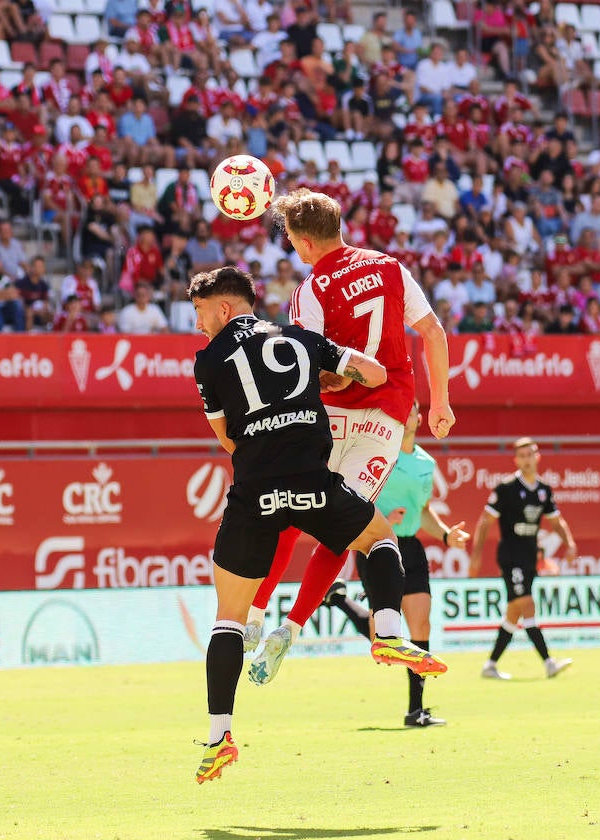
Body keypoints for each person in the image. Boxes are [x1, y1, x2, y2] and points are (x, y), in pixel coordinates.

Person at [188, 267, 446, 784]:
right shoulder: (300, 338)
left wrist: (262, 455)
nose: (198, 326)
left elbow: (225, 438)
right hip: (315, 482)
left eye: (199, 314)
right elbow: (374, 372)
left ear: (222, 309)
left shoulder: (207, 360)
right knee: (379, 539)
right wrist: (335, 375)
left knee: (227, 621)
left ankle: (219, 738)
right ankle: (389, 631)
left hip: (253, 493)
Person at [243, 188, 455, 687]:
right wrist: (441, 401)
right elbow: (434, 333)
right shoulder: (391, 267)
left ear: (302, 241)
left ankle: (254, 618)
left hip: (332, 416)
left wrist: (338, 376)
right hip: (385, 418)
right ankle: (309, 631)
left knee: (294, 517)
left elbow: (310, 363)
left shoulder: (311, 290)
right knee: (351, 521)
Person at [331, 402, 469, 727]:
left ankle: (416, 710)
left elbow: (422, 511)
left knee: (420, 627)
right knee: (382, 636)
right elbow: (358, 496)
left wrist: (447, 536)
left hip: (411, 546)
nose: (405, 416)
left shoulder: (426, 463)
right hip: (376, 544)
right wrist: (382, 521)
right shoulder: (379, 452)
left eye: (411, 411)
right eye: (401, 411)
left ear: (419, 419)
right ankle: (340, 600)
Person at [468, 438, 577, 680]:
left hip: (529, 558)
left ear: (537, 457)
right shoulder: (506, 488)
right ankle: (549, 663)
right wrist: (475, 556)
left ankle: (490, 665)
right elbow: (485, 521)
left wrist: (569, 543)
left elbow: (556, 521)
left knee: (514, 614)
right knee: (527, 605)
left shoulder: (543, 490)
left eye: (531, 454)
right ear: (516, 460)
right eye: (522, 456)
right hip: (511, 557)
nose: (527, 459)